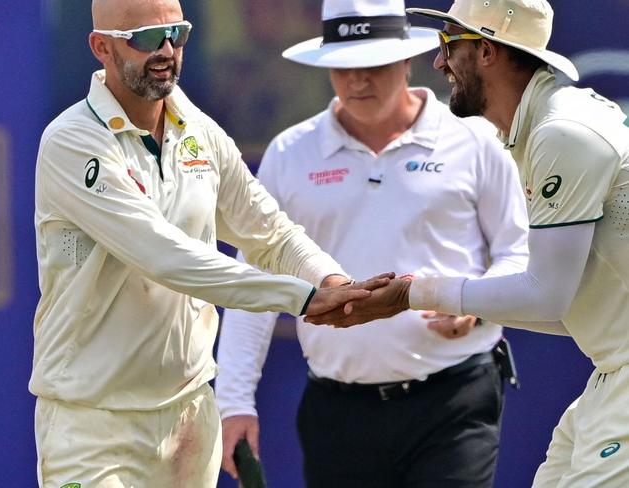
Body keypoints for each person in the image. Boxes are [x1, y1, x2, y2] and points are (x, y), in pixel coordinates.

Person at [29, 0, 388, 486]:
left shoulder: (196, 128)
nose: (167, 50)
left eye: (177, 33)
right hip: (93, 424)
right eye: (147, 39)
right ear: (102, 47)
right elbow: (166, 256)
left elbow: (270, 232)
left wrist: (332, 281)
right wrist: (303, 298)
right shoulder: (72, 141)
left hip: (189, 415)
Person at [307, 0, 629, 485]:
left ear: (486, 52)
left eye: (448, 45)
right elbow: (563, 308)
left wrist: (413, 293)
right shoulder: (540, 128)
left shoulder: (561, 133)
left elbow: (547, 295)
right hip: (613, 371)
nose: (438, 63)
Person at [215, 1, 529, 486]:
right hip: (337, 409)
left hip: (455, 399)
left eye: (374, 65)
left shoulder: (474, 139)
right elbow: (256, 285)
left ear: (407, 61)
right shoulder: (290, 153)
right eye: (344, 68)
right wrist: (233, 401)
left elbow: (516, 252)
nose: (358, 81)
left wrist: (477, 305)